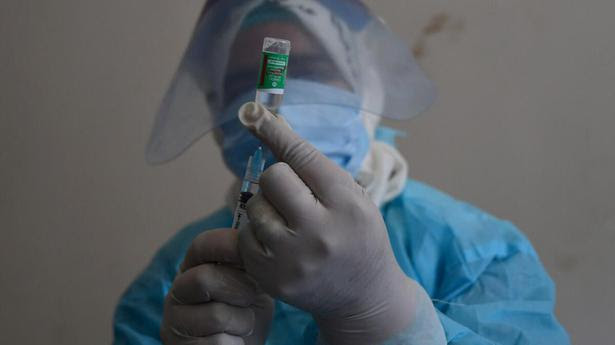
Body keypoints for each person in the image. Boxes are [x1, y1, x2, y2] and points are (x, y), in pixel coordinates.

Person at [114, 1, 570, 344]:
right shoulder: (175, 284)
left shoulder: (478, 256)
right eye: (239, 84)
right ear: (218, 112)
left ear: (365, 82)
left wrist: (378, 308)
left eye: (311, 69)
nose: (278, 97)